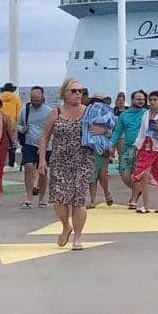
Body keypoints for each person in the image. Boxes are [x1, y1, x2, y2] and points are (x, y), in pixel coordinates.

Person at [37, 79, 94, 250]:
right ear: (64, 93)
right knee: (58, 199)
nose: (78, 94)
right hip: (59, 161)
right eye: (74, 91)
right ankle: (65, 225)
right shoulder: (56, 112)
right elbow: (45, 136)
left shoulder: (89, 112)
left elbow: (106, 129)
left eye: (80, 91)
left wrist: (102, 132)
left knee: (78, 200)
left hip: (82, 160)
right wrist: (42, 159)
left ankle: (77, 236)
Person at [111, 89, 147, 209]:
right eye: (138, 99)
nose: (141, 101)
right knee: (124, 174)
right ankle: (138, 190)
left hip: (142, 149)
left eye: (142, 99)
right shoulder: (124, 115)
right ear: (132, 100)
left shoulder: (147, 113)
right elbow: (118, 131)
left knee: (137, 174)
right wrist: (111, 144)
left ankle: (134, 199)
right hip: (127, 148)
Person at [17, 85, 51, 209]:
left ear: (43, 98)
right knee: (28, 167)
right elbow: (18, 125)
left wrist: (46, 145)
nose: (35, 102)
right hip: (29, 143)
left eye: (38, 100)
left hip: (45, 146)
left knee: (42, 172)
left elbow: (52, 130)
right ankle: (29, 198)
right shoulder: (25, 109)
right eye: (33, 99)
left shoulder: (49, 111)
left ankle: (42, 198)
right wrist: (22, 129)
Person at [82, 95, 115, 208]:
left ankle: (103, 195)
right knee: (96, 174)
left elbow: (112, 132)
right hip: (96, 147)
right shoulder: (88, 114)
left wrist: (104, 131)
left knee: (99, 174)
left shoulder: (91, 114)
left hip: (99, 147)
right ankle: (97, 198)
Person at [0, 103, 14, 193]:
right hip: (3, 143)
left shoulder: (5, 117)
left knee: (0, 165)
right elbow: (10, 130)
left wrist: (12, 141)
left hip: (3, 144)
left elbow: (9, 130)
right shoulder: (5, 117)